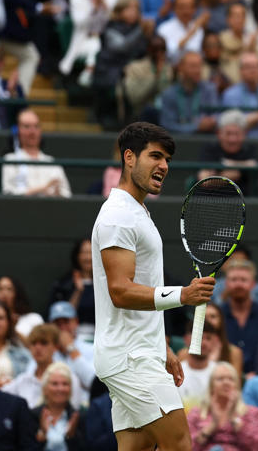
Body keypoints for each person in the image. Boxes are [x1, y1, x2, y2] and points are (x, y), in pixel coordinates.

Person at [90, 121, 215, 450]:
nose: (163, 166)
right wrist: (183, 295)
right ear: (129, 158)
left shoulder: (137, 212)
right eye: (155, 156)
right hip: (130, 360)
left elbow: (136, 291)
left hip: (137, 352)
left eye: (168, 160)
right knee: (180, 445)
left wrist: (162, 346)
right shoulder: (118, 215)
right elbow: (120, 291)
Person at [2, 324, 84, 410]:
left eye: (44, 343)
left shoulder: (69, 379)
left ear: (55, 347)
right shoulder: (23, 380)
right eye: (33, 343)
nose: (38, 348)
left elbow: (74, 411)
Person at [187, 361, 258, 450]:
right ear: (211, 385)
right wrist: (213, 425)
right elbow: (189, 447)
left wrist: (233, 420)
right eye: (220, 379)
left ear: (237, 385)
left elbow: (257, 447)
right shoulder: (196, 413)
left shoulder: (251, 413)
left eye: (231, 379)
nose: (226, 382)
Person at [221, 258, 258, 374]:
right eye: (234, 279)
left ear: (253, 284)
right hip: (223, 377)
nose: (238, 284)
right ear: (226, 283)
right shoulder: (217, 315)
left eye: (243, 280)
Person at [1, 109, 71, 197]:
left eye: (36, 126)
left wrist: (57, 193)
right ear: (18, 130)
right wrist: (44, 188)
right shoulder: (10, 159)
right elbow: (8, 194)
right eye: (27, 126)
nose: (32, 131)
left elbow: (67, 196)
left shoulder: (52, 162)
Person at [155, 51, 220, 134]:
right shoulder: (169, 94)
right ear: (181, 68)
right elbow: (167, 125)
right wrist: (196, 127)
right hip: (179, 141)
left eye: (200, 66)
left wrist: (212, 121)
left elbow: (217, 115)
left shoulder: (210, 89)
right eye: (193, 66)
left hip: (206, 139)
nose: (198, 70)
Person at [32, 362, 84, 450]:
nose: (60, 389)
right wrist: (43, 435)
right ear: (45, 388)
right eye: (54, 384)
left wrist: (70, 436)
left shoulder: (79, 417)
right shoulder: (32, 416)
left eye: (65, 384)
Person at [49, 239, 95, 333]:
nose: (88, 258)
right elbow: (61, 315)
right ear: (77, 256)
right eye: (84, 253)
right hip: (71, 336)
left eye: (91, 252)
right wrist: (78, 291)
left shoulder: (106, 282)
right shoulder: (64, 284)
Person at [156, 0, 207, 66]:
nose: (186, 11)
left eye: (189, 7)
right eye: (181, 7)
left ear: (194, 9)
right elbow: (171, 54)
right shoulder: (164, 28)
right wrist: (191, 33)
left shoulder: (199, 29)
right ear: (174, 9)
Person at [0, 275, 43, 340]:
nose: (4, 293)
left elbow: (37, 347)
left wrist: (12, 327)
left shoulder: (33, 319)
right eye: (0, 289)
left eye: (9, 289)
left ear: (17, 293)